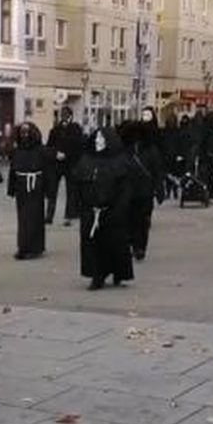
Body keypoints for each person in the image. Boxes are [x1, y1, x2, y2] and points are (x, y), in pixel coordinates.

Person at [74, 128, 134, 291]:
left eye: (102, 139)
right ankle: (96, 275)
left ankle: (118, 273)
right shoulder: (86, 160)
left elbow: (125, 189)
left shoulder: (119, 161)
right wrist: (82, 206)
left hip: (112, 211)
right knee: (93, 244)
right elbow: (78, 185)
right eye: (97, 139)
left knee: (115, 244)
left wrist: (119, 209)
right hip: (91, 211)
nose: (98, 142)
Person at [122, 113, 165, 262]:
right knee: (130, 219)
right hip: (128, 192)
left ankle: (140, 247)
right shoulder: (125, 151)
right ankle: (133, 243)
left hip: (144, 192)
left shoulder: (150, 151)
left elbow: (158, 171)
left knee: (143, 221)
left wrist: (160, 190)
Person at [8, 123, 52, 260]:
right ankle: (23, 246)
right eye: (22, 133)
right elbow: (13, 171)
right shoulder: (17, 151)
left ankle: (35, 247)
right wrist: (12, 189)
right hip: (22, 188)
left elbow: (47, 171)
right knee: (23, 219)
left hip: (35, 187)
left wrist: (48, 190)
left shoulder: (41, 150)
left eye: (27, 133)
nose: (25, 135)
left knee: (35, 218)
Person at [45, 107, 84, 226]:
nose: (64, 117)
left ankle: (69, 216)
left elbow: (78, 146)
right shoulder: (55, 130)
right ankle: (49, 216)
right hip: (56, 164)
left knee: (71, 191)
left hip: (70, 164)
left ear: (71, 116)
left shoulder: (76, 129)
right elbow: (49, 146)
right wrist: (55, 153)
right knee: (52, 190)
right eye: (62, 115)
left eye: (66, 115)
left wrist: (66, 154)